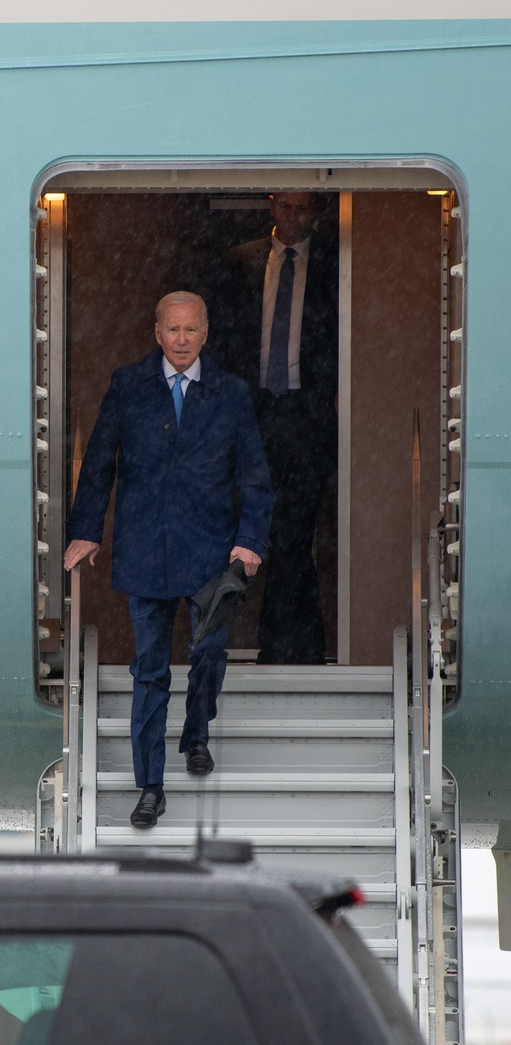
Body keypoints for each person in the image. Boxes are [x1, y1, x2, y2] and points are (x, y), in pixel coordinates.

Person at [64, 292, 273, 829]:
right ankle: (150, 787)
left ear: (206, 333)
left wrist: (250, 540)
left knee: (208, 654)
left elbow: (254, 476)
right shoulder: (128, 385)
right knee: (150, 672)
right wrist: (86, 532)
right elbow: (97, 467)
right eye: (172, 329)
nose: (181, 340)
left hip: (209, 550)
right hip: (145, 549)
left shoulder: (231, 394)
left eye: (191, 330)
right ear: (156, 333)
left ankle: (197, 732)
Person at [217, 192, 338, 664]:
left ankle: (288, 647)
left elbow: (337, 338)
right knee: (246, 533)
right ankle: (284, 646)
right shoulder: (239, 262)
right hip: (250, 412)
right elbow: (223, 335)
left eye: (302, 208)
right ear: (271, 206)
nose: (293, 217)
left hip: (305, 417)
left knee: (293, 532)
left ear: (314, 212)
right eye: (285, 206)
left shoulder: (332, 262)